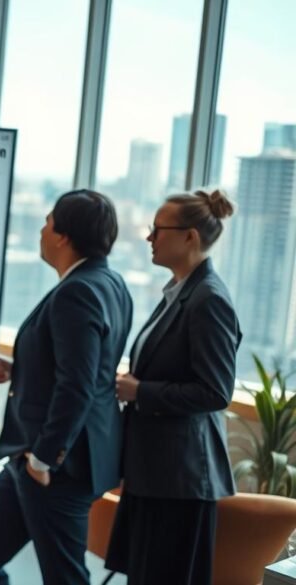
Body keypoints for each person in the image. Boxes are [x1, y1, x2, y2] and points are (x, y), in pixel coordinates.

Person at [0, 190, 133, 585]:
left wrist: (42, 461)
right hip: (45, 457)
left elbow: (78, 385)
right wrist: (19, 369)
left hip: (56, 464)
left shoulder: (79, 291)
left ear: (62, 237)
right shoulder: (112, 283)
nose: (41, 229)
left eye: (48, 221)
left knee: (64, 578)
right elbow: (80, 366)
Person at [105, 189, 242, 584]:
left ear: (189, 238)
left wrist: (140, 391)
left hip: (180, 481)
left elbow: (215, 392)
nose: (149, 238)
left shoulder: (208, 299)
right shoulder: (178, 292)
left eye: (157, 230)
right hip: (156, 472)